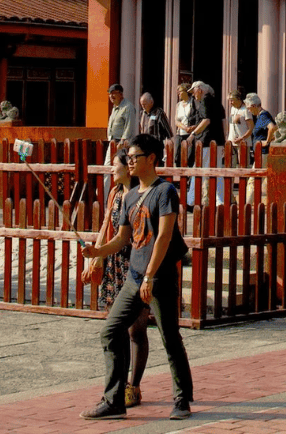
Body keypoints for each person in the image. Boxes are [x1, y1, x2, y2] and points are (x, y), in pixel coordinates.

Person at [80, 134, 193, 421]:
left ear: (152, 158)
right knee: (111, 330)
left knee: (169, 337)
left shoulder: (165, 191)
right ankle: (114, 400)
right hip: (134, 276)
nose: (129, 162)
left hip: (160, 277)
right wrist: (97, 251)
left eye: (135, 157)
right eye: (128, 158)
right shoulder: (129, 196)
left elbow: (164, 236)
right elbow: (122, 239)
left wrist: (150, 277)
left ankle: (181, 400)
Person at [82, 147, 149, 409]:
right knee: (116, 327)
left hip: (134, 264)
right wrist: (96, 257)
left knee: (136, 329)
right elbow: (106, 227)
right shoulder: (114, 193)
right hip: (114, 263)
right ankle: (119, 384)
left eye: (116, 164)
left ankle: (135, 384)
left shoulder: (138, 195)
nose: (113, 168)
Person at [184, 81, 226, 206]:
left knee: (198, 168)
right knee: (217, 170)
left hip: (206, 140)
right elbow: (224, 122)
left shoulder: (204, 102)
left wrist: (192, 135)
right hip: (218, 141)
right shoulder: (218, 103)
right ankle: (220, 200)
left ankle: (191, 200)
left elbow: (206, 121)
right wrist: (224, 141)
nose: (193, 94)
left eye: (194, 91)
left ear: (200, 90)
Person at [244, 93, 275, 205]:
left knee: (253, 180)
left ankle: (247, 205)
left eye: (248, 108)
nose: (248, 111)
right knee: (264, 180)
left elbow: (273, 127)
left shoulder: (263, 116)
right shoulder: (260, 116)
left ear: (253, 105)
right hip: (261, 153)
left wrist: (267, 141)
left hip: (263, 153)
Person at [173, 82, 199, 166]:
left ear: (186, 91)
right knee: (177, 157)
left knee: (189, 158)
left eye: (180, 91)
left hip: (191, 134)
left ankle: (189, 178)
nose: (178, 93)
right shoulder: (178, 105)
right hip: (180, 133)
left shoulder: (194, 103)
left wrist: (192, 128)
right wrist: (184, 128)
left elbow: (198, 119)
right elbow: (176, 121)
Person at [106, 84, 138, 148]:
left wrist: (122, 142)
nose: (111, 96)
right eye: (110, 94)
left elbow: (129, 126)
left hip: (122, 144)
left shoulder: (128, 107)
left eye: (114, 93)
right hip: (112, 142)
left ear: (121, 94)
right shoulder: (115, 107)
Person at [227, 88, 254, 153]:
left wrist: (241, 138)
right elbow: (230, 123)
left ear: (238, 99)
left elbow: (251, 128)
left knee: (243, 162)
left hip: (243, 143)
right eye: (229, 100)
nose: (230, 103)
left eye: (232, 100)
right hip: (231, 142)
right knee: (230, 162)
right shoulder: (232, 108)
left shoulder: (246, 109)